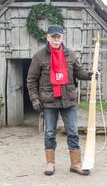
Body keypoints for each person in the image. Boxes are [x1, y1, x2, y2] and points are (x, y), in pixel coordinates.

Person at [27, 24, 94, 176]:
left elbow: (79, 72)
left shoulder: (70, 54)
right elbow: (31, 80)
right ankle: (50, 163)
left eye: (58, 37)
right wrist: (35, 99)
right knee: (50, 133)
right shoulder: (39, 56)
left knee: (73, 132)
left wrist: (91, 74)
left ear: (62, 37)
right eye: (53, 37)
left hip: (68, 100)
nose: (56, 40)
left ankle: (76, 164)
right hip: (49, 101)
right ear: (48, 37)